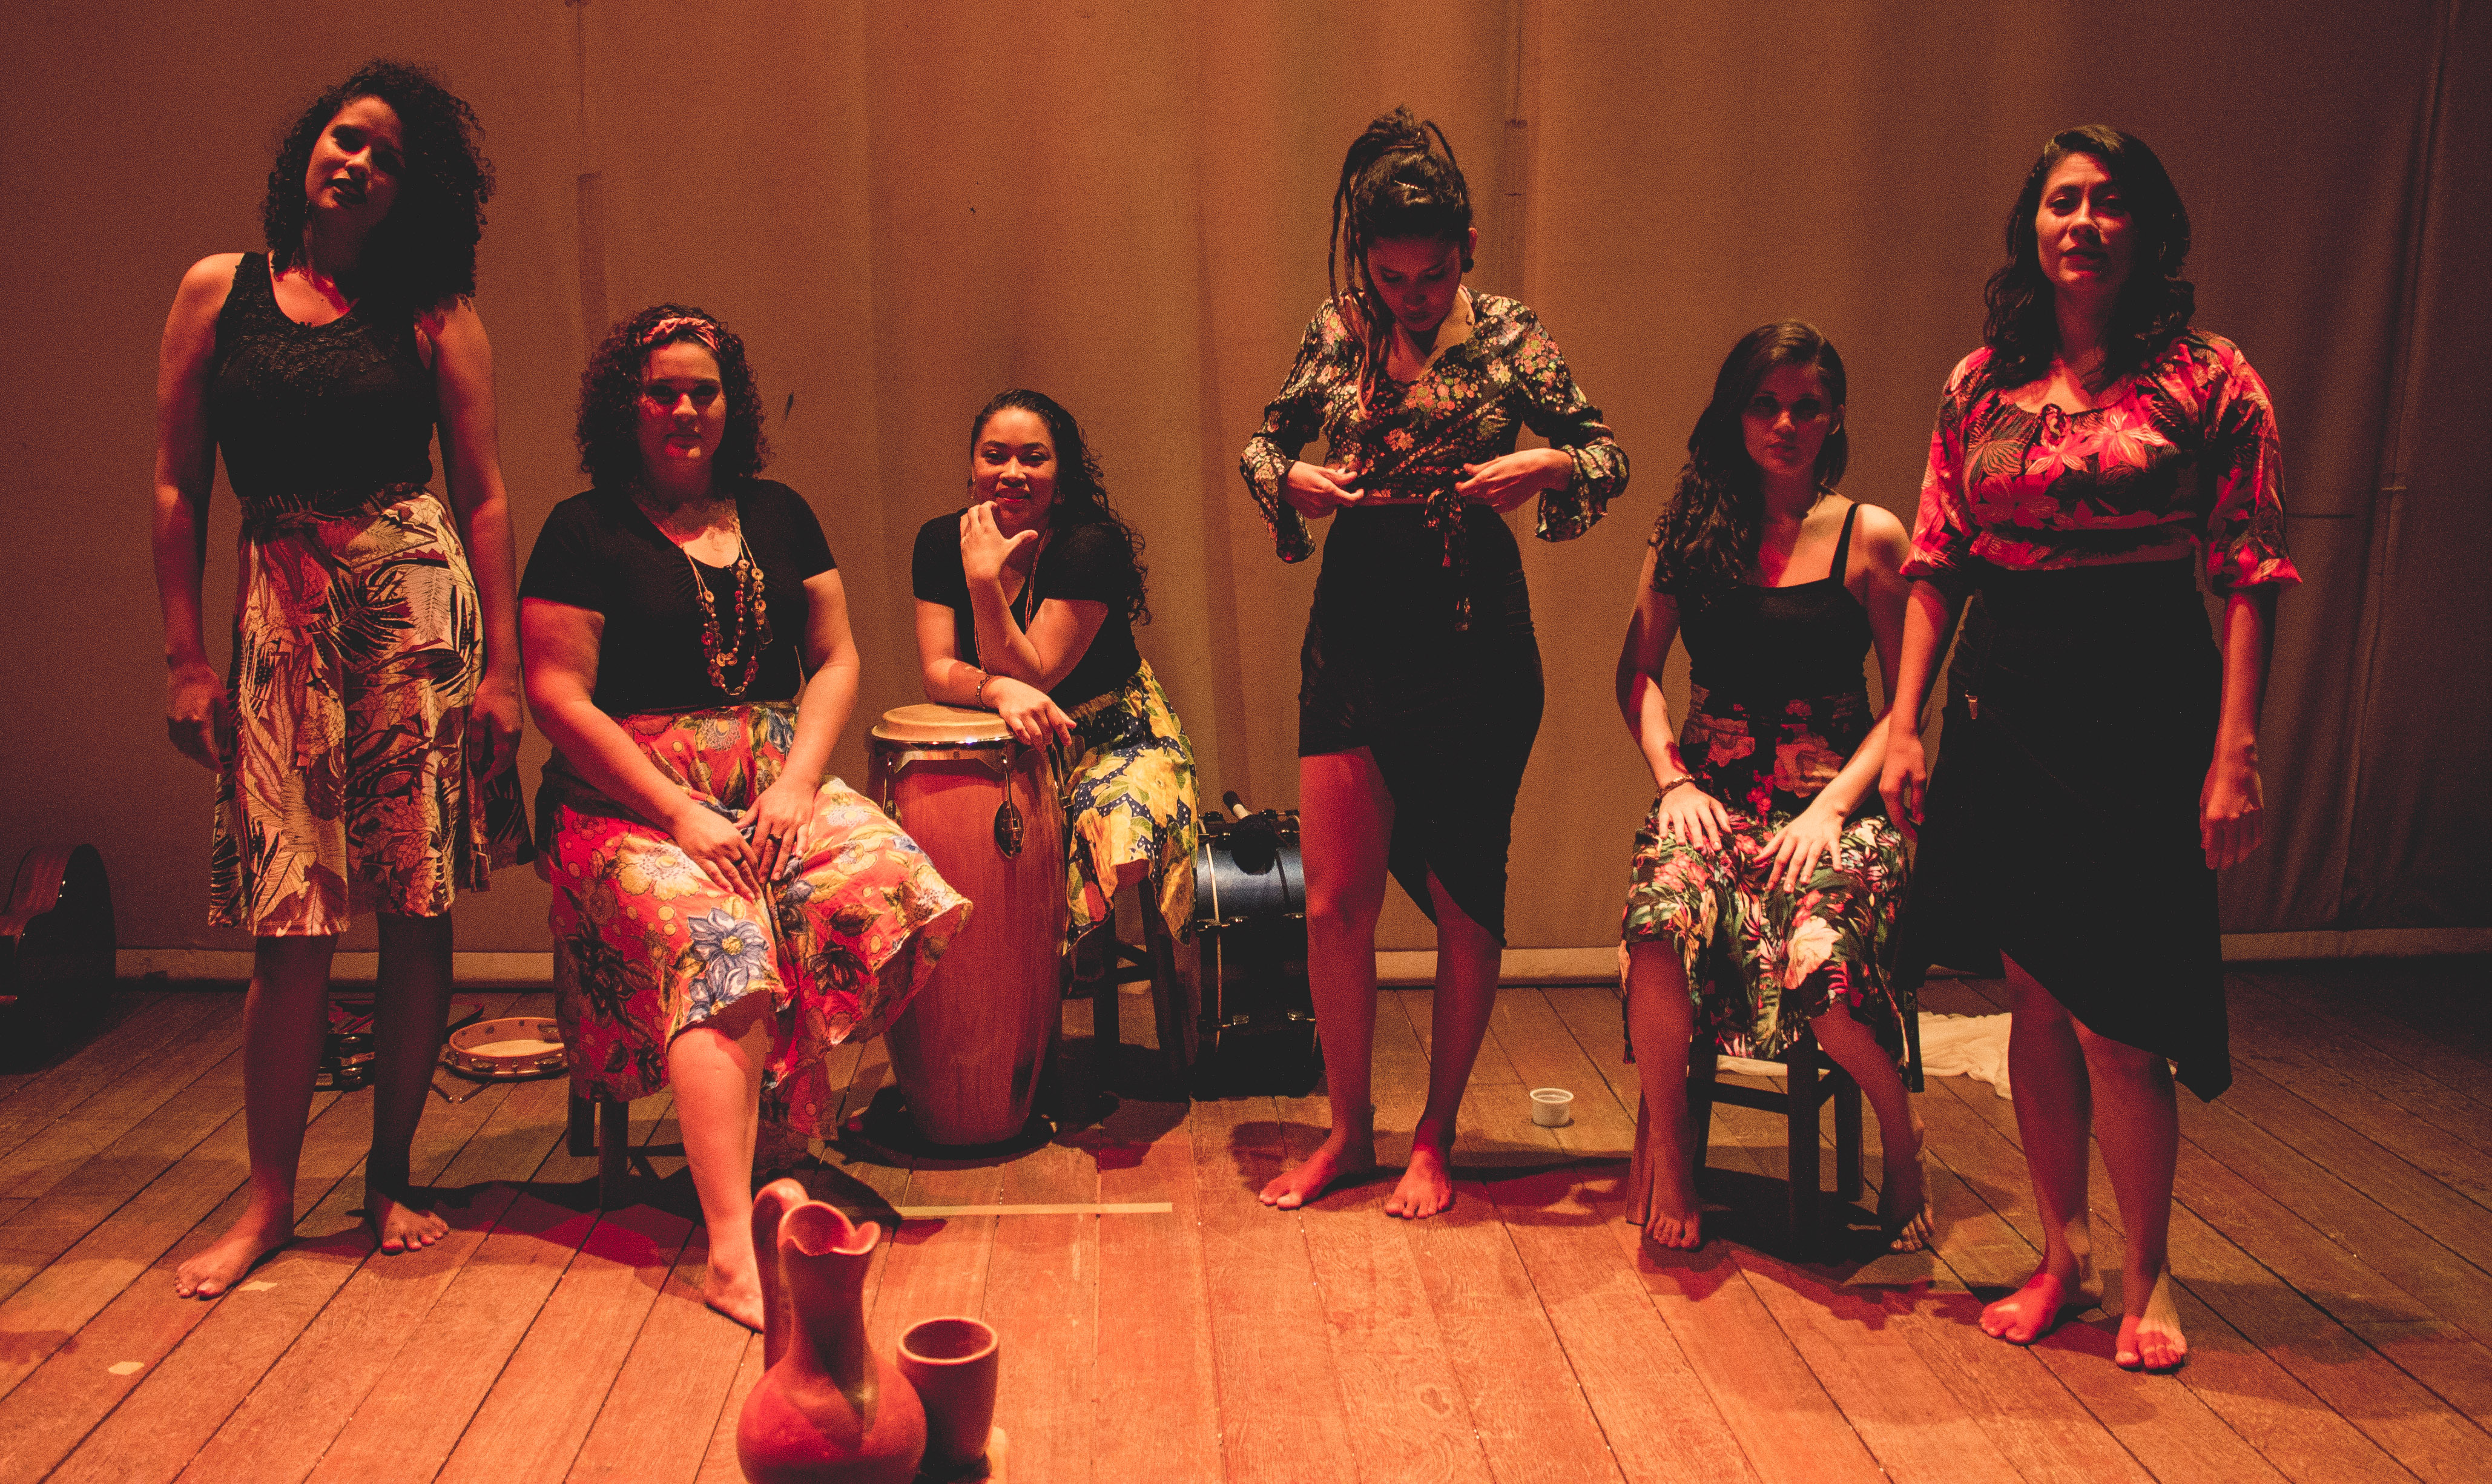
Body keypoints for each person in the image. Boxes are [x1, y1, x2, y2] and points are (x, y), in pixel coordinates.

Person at [1879, 127, 2296, 1371]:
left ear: (2147, 228)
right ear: (2033, 226)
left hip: (2141, 694)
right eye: (2063, 201)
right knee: (2036, 994)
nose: (2084, 222)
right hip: (2007, 695)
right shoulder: (1981, 382)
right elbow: (1937, 557)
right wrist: (1903, 720)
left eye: (2111, 203)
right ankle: (2060, 1254)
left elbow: (2250, 567)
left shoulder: (2213, 377)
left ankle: (2145, 1270)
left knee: (2122, 1012)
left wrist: (2235, 748)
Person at [150, 61, 531, 1298]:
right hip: (279, 614)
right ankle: (268, 1198)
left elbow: (484, 494)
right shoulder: (219, 290)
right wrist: (185, 657)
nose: (358, 164)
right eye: (345, 139)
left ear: (412, 194)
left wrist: (505, 673)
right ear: (307, 150)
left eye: (387, 159)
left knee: (416, 904)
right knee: (290, 917)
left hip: (409, 607)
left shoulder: (433, 310)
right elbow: (178, 485)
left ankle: (391, 1173)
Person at [521, 305, 969, 1328]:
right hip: (628, 804)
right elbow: (558, 696)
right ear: (625, 406)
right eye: (662, 392)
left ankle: (778, 1136)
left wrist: (800, 782)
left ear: (733, 405)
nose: (685, 409)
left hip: (770, 781)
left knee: (886, 874)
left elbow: (836, 657)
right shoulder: (582, 531)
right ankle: (731, 1249)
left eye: (703, 392)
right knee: (719, 935)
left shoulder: (779, 512)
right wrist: (677, 811)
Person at [1241, 108, 1626, 1218]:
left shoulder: (1509, 334)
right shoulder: (1339, 329)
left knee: (1464, 900)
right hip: (1356, 624)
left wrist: (1543, 464)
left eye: (1432, 274)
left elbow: (1606, 451)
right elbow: (1263, 442)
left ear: (1466, 250)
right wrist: (1290, 480)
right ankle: (1347, 1126)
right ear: (1365, 258)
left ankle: (1436, 1133)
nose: (1411, 296)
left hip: (1471, 638)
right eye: (1391, 276)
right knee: (1334, 903)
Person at [1616, 323, 1928, 1253]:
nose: (1785, 423)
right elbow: (1636, 673)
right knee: (1658, 920)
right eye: (1765, 404)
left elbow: (1904, 704)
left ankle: (1902, 1141)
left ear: (1834, 418)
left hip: (1836, 806)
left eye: (1806, 406)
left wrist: (1834, 807)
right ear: (1736, 414)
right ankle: (1673, 1154)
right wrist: (1673, 779)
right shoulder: (1690, 528)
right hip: (1714, 800)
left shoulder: (1871, 535)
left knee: (1822, 967)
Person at [911, 390, 1199, 972]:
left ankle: (1119, 975)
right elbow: (938, 669)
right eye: (995, 456)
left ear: (1060, 475)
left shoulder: (1089, 545)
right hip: (1008, 741)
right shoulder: (941, 541)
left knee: (1114, 826)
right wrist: (994, 690)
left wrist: (983, 583)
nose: (1012, 472)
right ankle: (1008, 996)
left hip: (1115, 738)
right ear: (973, 467)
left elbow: (1034, 672)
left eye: (1033, 458)